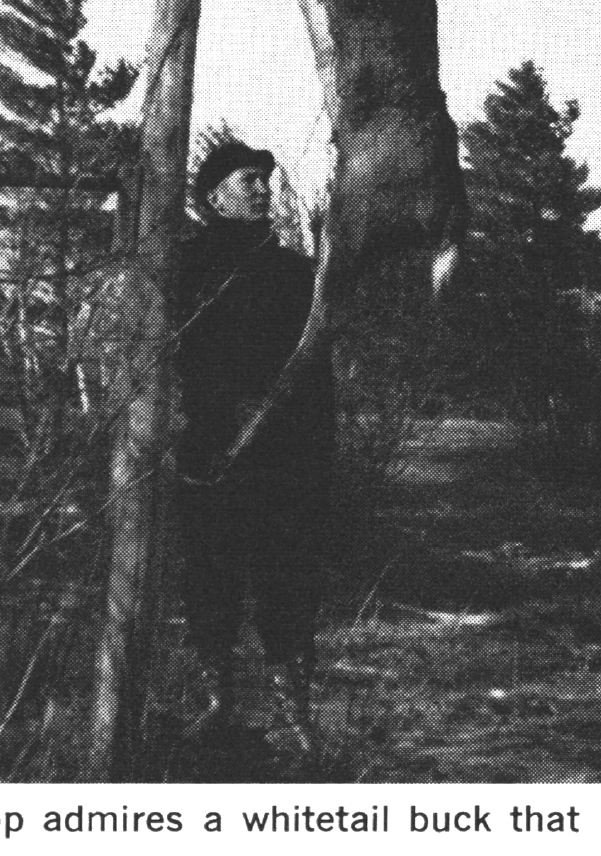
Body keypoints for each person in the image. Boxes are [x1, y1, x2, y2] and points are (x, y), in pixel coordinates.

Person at [171, 139, 335, 750]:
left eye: (266, 180)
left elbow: (314, 372)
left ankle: (296, 716)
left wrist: (314, 451)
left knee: (286, 582)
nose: (263, 190)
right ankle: (219, 706)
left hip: (284, 458)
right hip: (211, 453)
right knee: (211, 577)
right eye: (249, 181)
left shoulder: (296, 273)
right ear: (214, 197)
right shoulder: (184, 270)